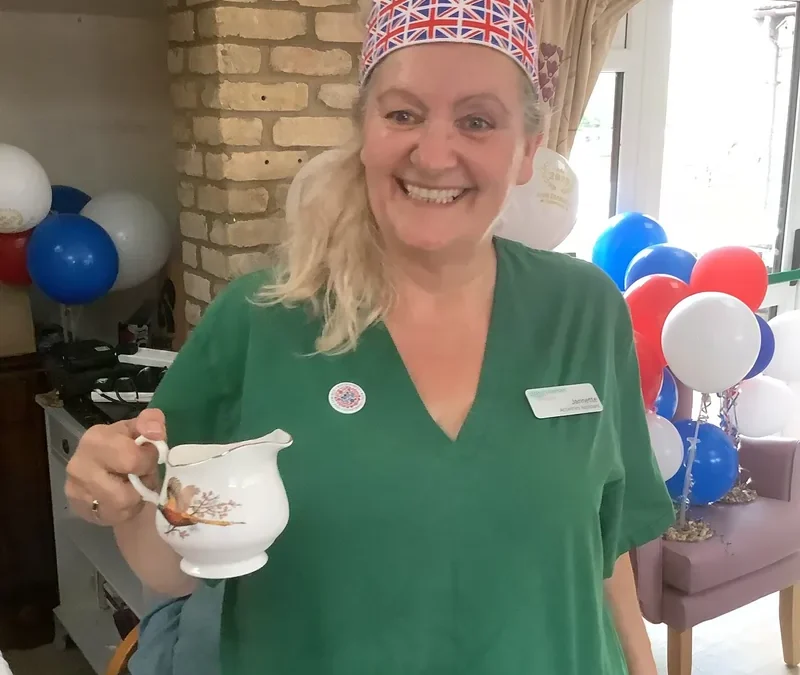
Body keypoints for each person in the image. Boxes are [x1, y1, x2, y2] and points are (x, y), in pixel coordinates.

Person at [64, 1, 676, 673]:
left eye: (477, 121)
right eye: (404, 114)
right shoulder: (260, 320)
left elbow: (604, 545)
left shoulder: (585, 310)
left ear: (528, 151)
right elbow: (171, 565)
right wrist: (122, 497)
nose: (434, 154)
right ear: (364, 132)